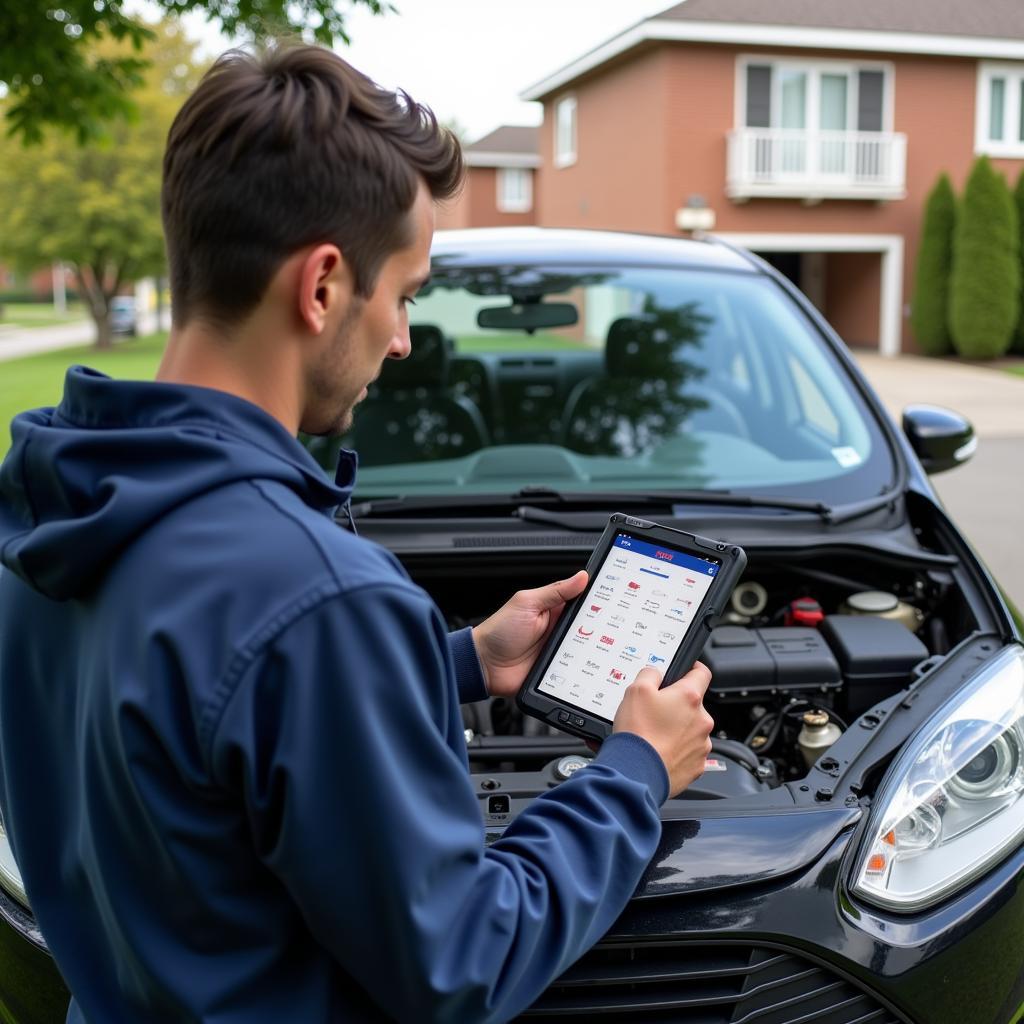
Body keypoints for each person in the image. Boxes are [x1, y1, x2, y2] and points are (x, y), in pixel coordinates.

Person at [0, 45, 714, 1023]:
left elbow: (188, 733)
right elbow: (459, 964)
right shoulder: (319, 599)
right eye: (407, 294)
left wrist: (459, 659)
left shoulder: (54, 516)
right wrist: (633, 769)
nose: (403, 338)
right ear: (324, 283)